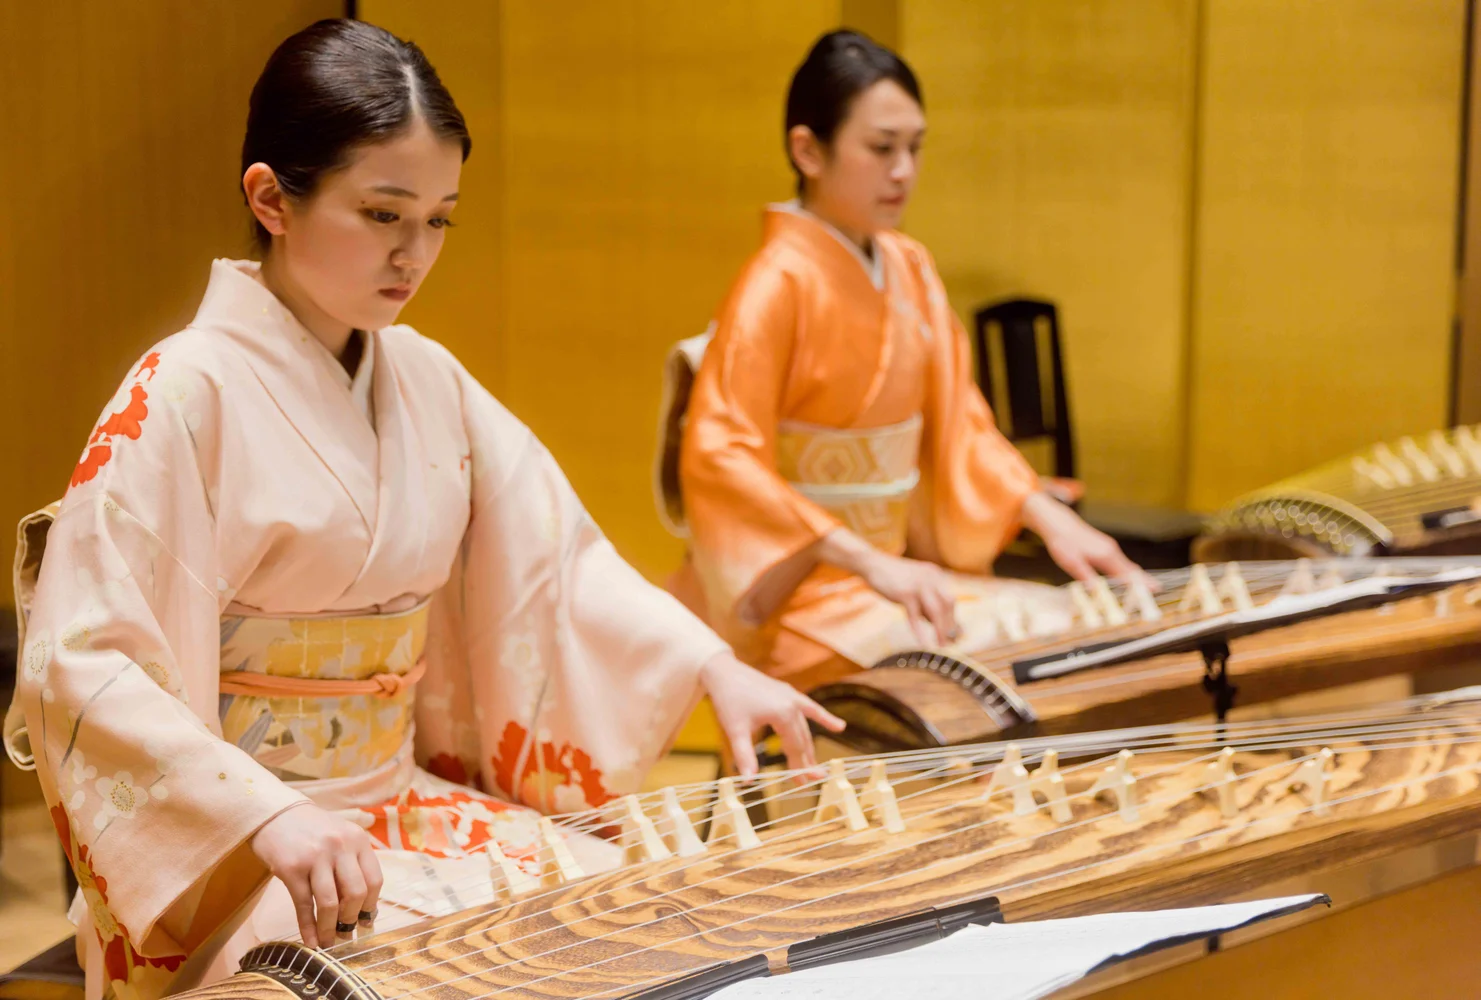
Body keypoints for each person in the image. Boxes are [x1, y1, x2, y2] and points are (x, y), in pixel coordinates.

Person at [3, 20, 840, 1000]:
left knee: (633, 921)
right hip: (252, 857)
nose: (415, 253)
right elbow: (84, 659)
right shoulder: (181, 395)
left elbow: (555, 560)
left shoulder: (428, 380)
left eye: (439, 218)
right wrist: (264, 815)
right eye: (383, 213)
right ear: (271, 197)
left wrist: (709, 663)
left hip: (397, 805)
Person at [664, 30, 1145, 691]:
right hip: (803, 598)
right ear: (807, 150)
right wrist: (865, 561)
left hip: (896, 580)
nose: (903, 171)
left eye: (914, 148)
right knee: (1005, 667)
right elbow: (721, 457)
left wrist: (1047, 515)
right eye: (881, 148)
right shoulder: (773, 284)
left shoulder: (909, 266)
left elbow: (961, 424)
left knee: (1072, 631)